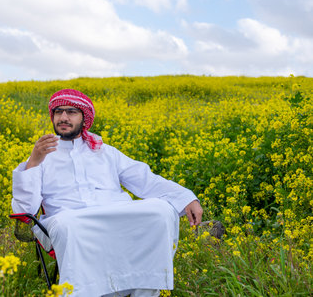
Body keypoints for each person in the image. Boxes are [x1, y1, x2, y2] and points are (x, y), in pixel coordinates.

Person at [11, 89, 203, 297]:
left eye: (71, 112)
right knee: (68, 224)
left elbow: (145, 179)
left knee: (161, 211)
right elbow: (24, 210)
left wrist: (187, 196)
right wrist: (33, 162)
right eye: (58, 112)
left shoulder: (105, 152)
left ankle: (144, 290)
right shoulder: (41, 156)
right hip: (69, 218)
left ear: (85, 118)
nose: (63, 117)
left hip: (116, 213)